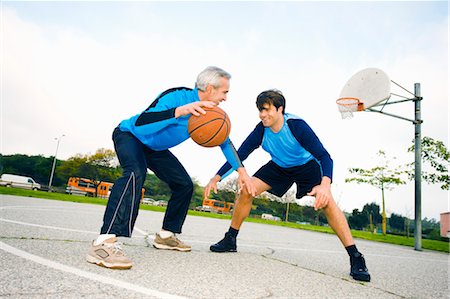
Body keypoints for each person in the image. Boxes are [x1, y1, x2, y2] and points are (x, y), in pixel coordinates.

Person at [86, 66, 255, 270]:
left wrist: (241, 171)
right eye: (225, 92)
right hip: (130, 136)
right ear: (210, 88)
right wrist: (180, 111)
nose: (226, 98)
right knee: (134, 173)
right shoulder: (177, 96)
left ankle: (166, 235)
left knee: (184, 185)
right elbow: (141, 124)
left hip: (155, 149)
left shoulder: (212, 113)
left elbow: (225, 142)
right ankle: (103, 242)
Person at [204, 89, 371, 282]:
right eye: (260, 110)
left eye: (266, 110)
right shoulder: (261, 130)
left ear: (280, 109)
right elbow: (239, 155)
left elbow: (325, 157)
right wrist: (216, 177)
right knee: (246, 190)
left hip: (306, 166)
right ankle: (230, 239)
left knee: (327, 203)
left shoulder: (296, 126)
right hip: (280, 166)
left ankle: (355, 256)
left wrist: (325, 185)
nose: (262, 115)